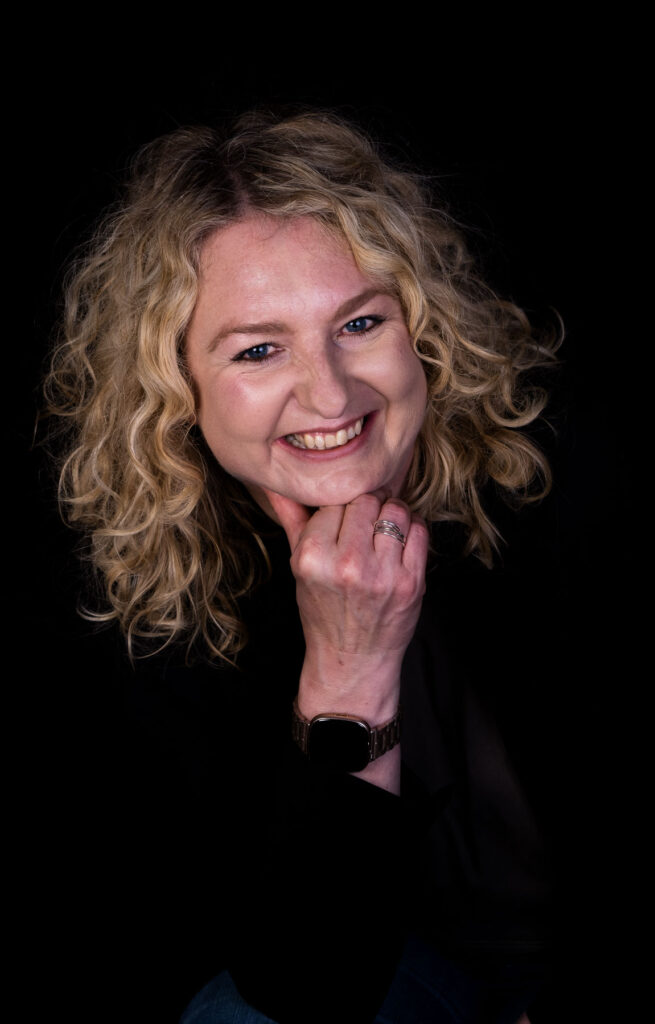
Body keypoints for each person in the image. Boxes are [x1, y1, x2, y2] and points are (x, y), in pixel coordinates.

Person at [44, 110, 559, 1023]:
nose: (329, 393)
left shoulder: (549, 488)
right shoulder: (144, 612)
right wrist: (349, 670)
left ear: (422, 332)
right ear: (174, 386)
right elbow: (306, 987)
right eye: (257, 349)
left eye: (359, 321)